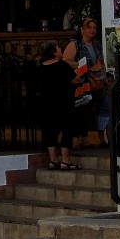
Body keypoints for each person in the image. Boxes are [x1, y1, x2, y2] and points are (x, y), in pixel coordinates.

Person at [63, 17, 111, 148]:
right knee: (79, 110)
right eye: (89, 27)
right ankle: (76, 139)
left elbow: (101, 62)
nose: (93, 30)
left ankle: (85, 138)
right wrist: (80, 64)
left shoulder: (96, 45)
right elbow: (66, 61)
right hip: (81, 82)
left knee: (89, 111)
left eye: (94, 28)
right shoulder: (75, 44)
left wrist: (104, 78)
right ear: (82, 29)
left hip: (95, 83)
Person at [37, 40, 82, 170]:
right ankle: (66, 160)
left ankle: (53, 160)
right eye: (59, 48)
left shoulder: (41, 67)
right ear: (54, 52)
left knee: (50, 131)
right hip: (63, 102)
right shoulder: (62, 66)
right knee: (66, 129)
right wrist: (80, 72)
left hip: (47, 103)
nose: (61, 50)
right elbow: (74, 80)